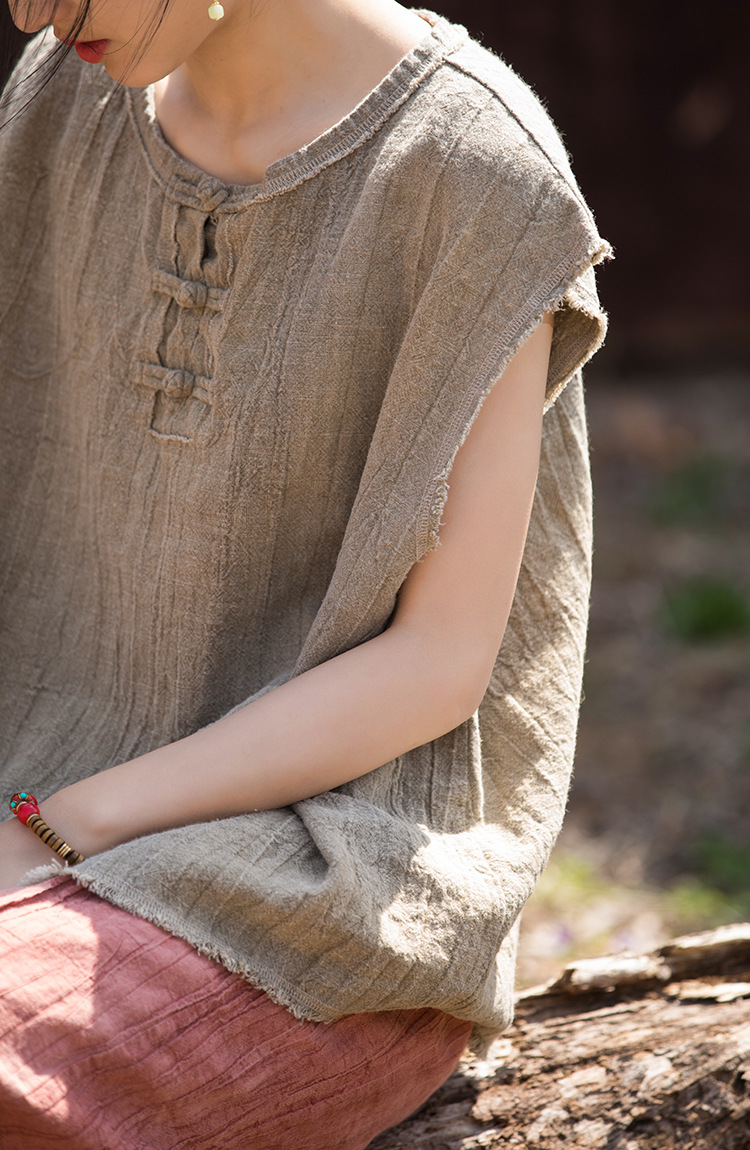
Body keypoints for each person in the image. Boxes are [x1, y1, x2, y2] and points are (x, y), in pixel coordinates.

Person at [0, 0, 610, 1146]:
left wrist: (59, 826)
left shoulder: (477, 173)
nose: (32, 10)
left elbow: (436, 666)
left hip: (316, 901)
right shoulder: (57, 98)